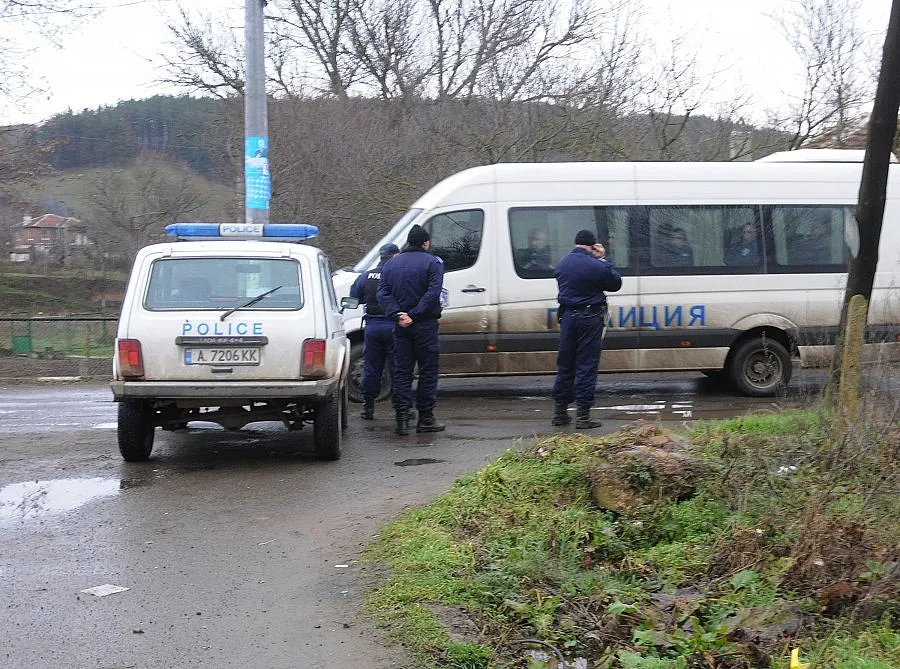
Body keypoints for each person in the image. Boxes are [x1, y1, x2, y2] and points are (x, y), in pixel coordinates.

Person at [377, 224, 446, 436]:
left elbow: (383, 293)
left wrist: (398, 314)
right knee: (427, 371)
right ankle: (425, 418)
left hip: (400, 326)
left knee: (402, 371)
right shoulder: (433, 263)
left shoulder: (391, 264)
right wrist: (414, 315)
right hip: (424, 324)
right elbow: (433, 293)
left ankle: (402, 418)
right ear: (425, 242)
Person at [552, 229, 622, 429]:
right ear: (592, 246)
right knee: (586, 365)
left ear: (576, 243)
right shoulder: (596, 265)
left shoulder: (562, 263)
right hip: (590, 319)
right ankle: (583, 416)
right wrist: (604, 259)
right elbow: (615, 283)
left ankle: (560, 413)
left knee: (566, 364)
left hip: (567, 318)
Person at [349, 242, 400, 420]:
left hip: (372, 328)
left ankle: (368, 407)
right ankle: (401, 409)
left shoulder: (366, 276)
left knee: (371, 367)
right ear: (395, 256)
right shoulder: (397, 275)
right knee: (398, 368)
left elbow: (354, 296)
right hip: (394, 327)